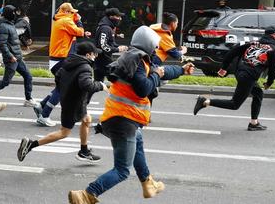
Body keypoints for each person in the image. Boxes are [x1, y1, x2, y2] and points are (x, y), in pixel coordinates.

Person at [68, 26, 195, 204]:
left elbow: (161, 71)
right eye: (155, 46)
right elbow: (143, 88)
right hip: (123, 121)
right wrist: (157, 76)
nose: (157, 50)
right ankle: (86, 195)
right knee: (122, 170)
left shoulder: (133, 59)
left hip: (120, 119)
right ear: (149, 45)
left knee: (139, 141)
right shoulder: (138, 62)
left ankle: (148, 184)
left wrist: (182, 70)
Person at [18, 41, 107, 163]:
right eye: (94, 54)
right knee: (64, 132)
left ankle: (84, 151)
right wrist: (100, 85)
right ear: (87, 55)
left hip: (71, 101)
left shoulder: (69, 61)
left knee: (87, 119)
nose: (95, 56)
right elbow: (87, 85)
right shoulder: (85, 67)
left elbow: (58, 77)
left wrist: (66, 90)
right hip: (73, 104)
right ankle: (31, 145)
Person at [193, 26, 275, 131]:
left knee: (258, 93)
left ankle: (254, 123)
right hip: (248, 77)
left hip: (239, 71)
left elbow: (232, 52)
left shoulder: (252, 43)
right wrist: (269, 83)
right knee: (234, 104)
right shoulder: (274, 50)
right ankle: (205, 101)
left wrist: (224, 68)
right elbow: (273, 70)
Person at [34, 2, 89, 127]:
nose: (74, 14)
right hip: (60, 59)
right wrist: (79, 21)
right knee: (64, 89)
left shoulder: (60, 20)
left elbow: (73, 36)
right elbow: (79, 32)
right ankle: (44, 115)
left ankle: (41, 105)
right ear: (66, 12)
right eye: (72, 12)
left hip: (56, 59)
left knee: (60, 87)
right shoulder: (65, 21)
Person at [0, 5, 36, 106]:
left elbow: (15, 38)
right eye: (13, 12)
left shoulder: (11, 24)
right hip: (12, 59)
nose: (15, 14)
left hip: (17, 58)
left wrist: (25, 44)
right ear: (9, 13)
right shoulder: (4, 27)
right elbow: (2, 44)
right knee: (5, 82)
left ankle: (28, 99)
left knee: (28, 76)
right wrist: (10, 56)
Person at [95, 8, 128, 82]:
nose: (120, 18)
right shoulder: (105, 28)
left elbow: (111, 43)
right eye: (118, 16)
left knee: (97, 84)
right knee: (117, 80)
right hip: (103, 60)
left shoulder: (108, 27)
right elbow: (103, 46)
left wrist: (119, 47)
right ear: (111, 17)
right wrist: (117, 49)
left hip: (102, 60)